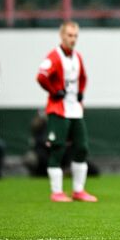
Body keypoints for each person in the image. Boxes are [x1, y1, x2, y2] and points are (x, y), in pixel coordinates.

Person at [36, 21, 97, 202]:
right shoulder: (54, 56)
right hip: (58, 110)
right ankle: (57, 192)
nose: (73, 39)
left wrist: (80, 94)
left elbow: (83, 77)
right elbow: (41, 76)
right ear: (62, 36)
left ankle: (78, 190)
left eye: (75, 36)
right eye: (70, 35)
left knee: (82, 148)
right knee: (58, 149)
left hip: (75, 110)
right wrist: (54, 91)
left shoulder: (77, 57)